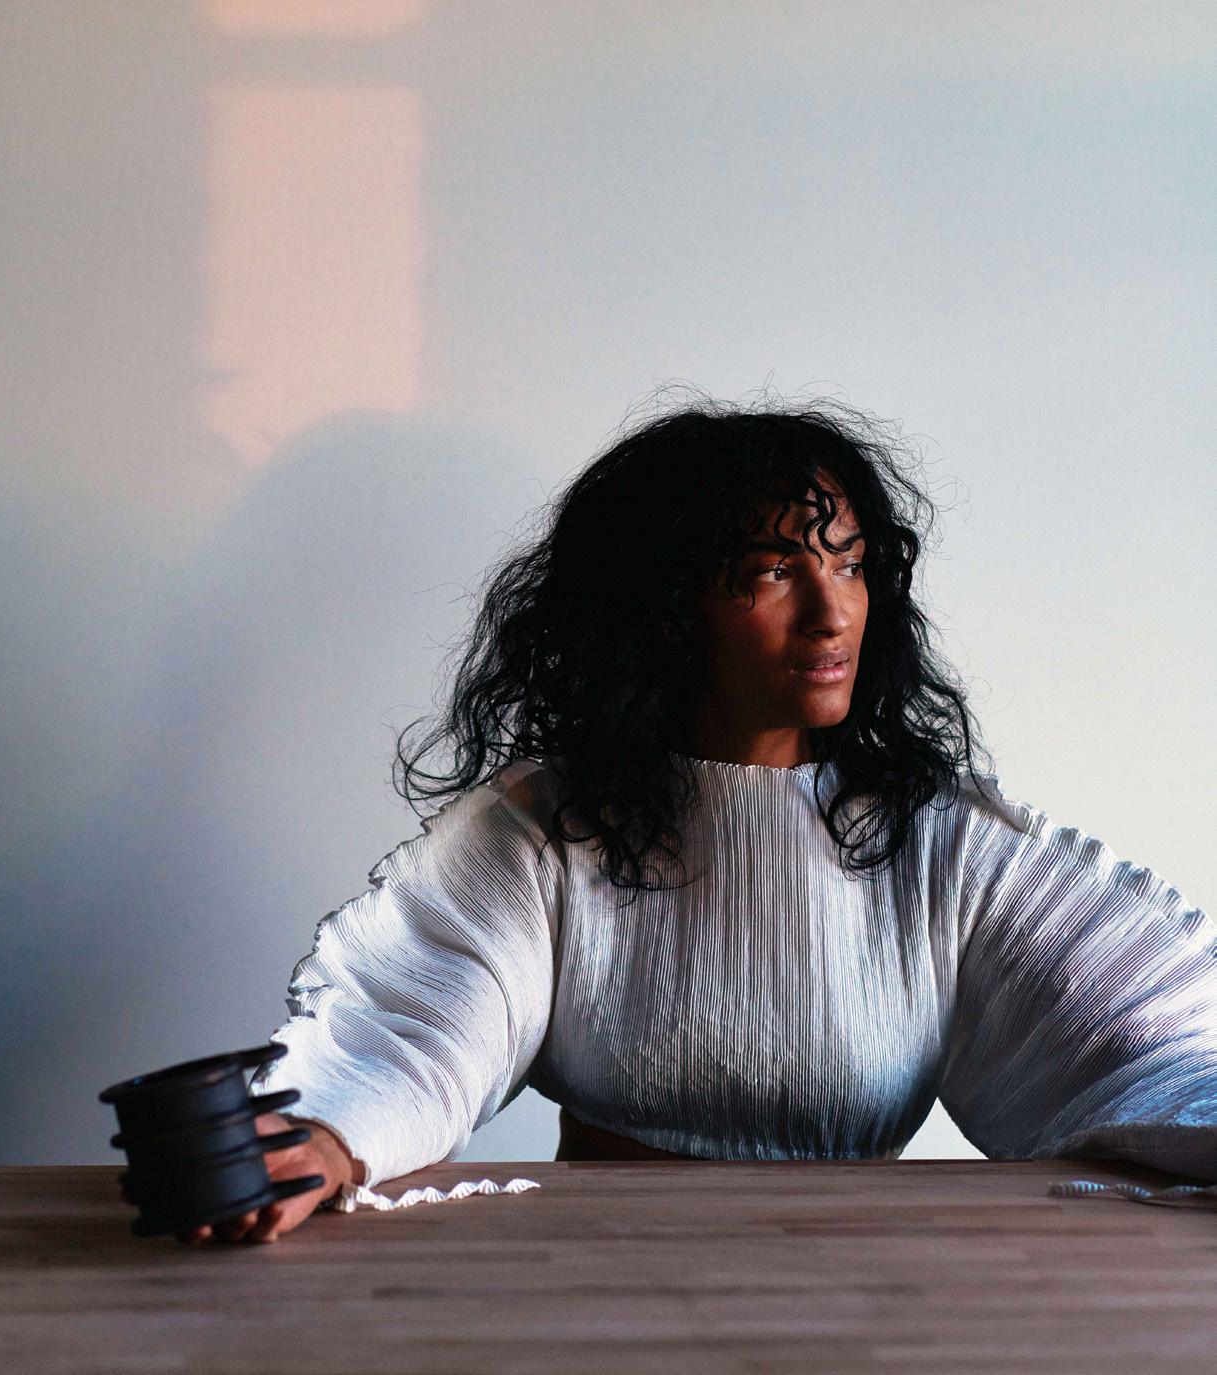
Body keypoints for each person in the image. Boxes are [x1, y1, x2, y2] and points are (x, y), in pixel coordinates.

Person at [179, 390, 1216, 1244]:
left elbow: (1146, 1044)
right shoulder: (543, 832)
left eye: (849, 563)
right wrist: (328, 1138)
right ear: (667, 606)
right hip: (587, 1290)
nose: (832, 613)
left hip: (872, 1306)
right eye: (774, 572)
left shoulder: (941, 844)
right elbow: (414, 1026)